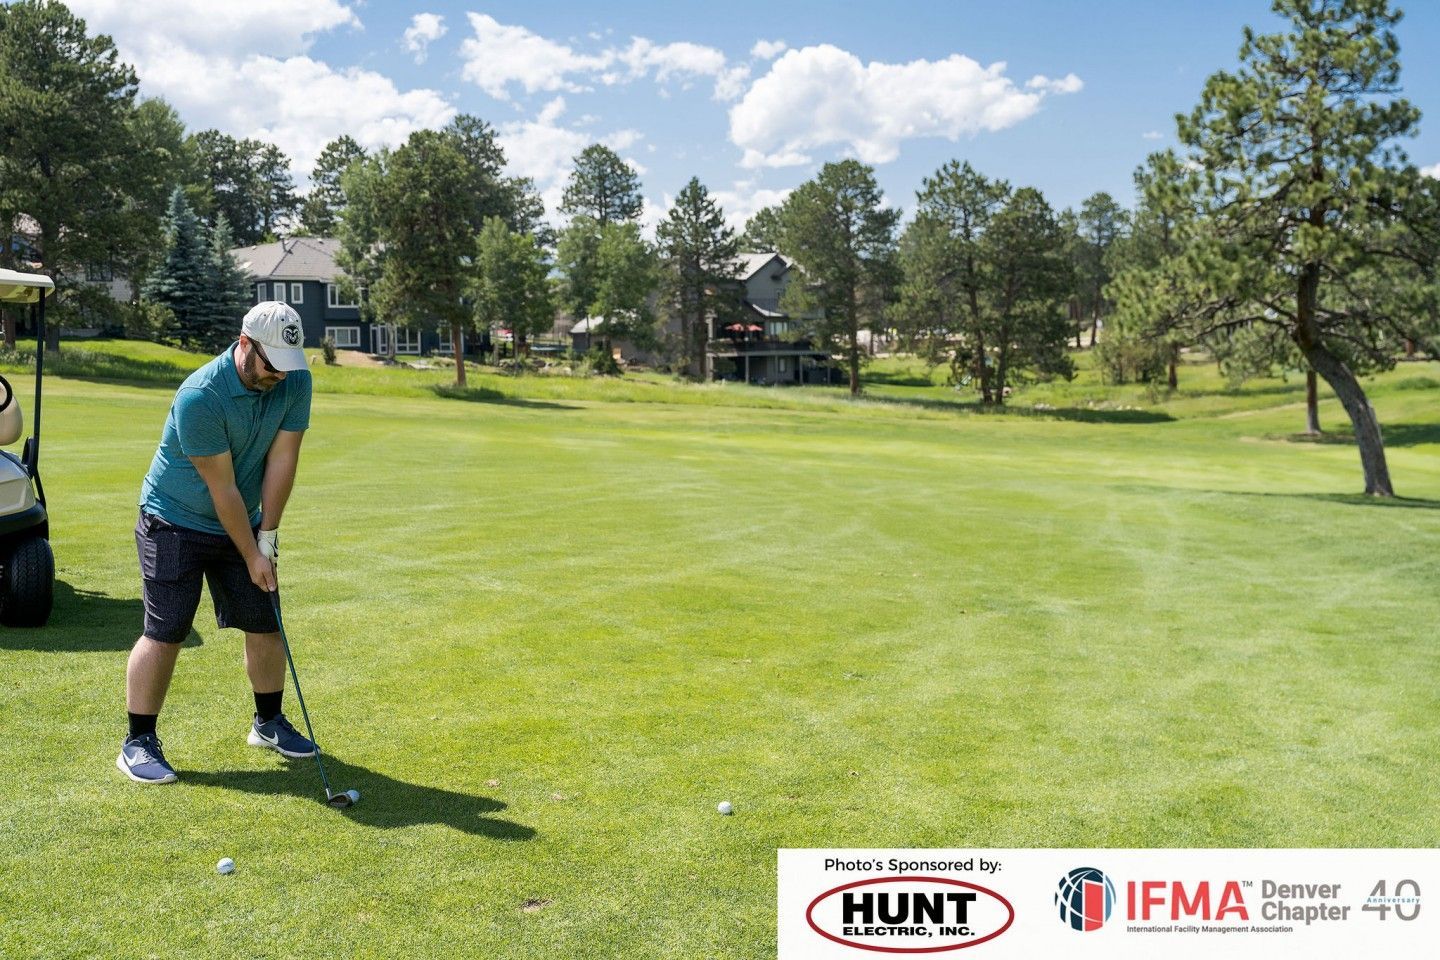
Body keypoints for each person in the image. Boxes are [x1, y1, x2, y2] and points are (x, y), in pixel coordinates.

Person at [117, 302, 314, 784]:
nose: (279, 377)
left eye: (287, 366)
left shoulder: (294, 379)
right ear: (244, 344)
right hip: (174, 519)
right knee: (167, 630)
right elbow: (220, 488)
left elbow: (282, 461)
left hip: (242, 521)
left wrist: (266, 538)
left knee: (264, 622)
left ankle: (268, 723)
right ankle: (137, 742)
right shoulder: (200, 395)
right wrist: (250, 553)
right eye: (272, 365)